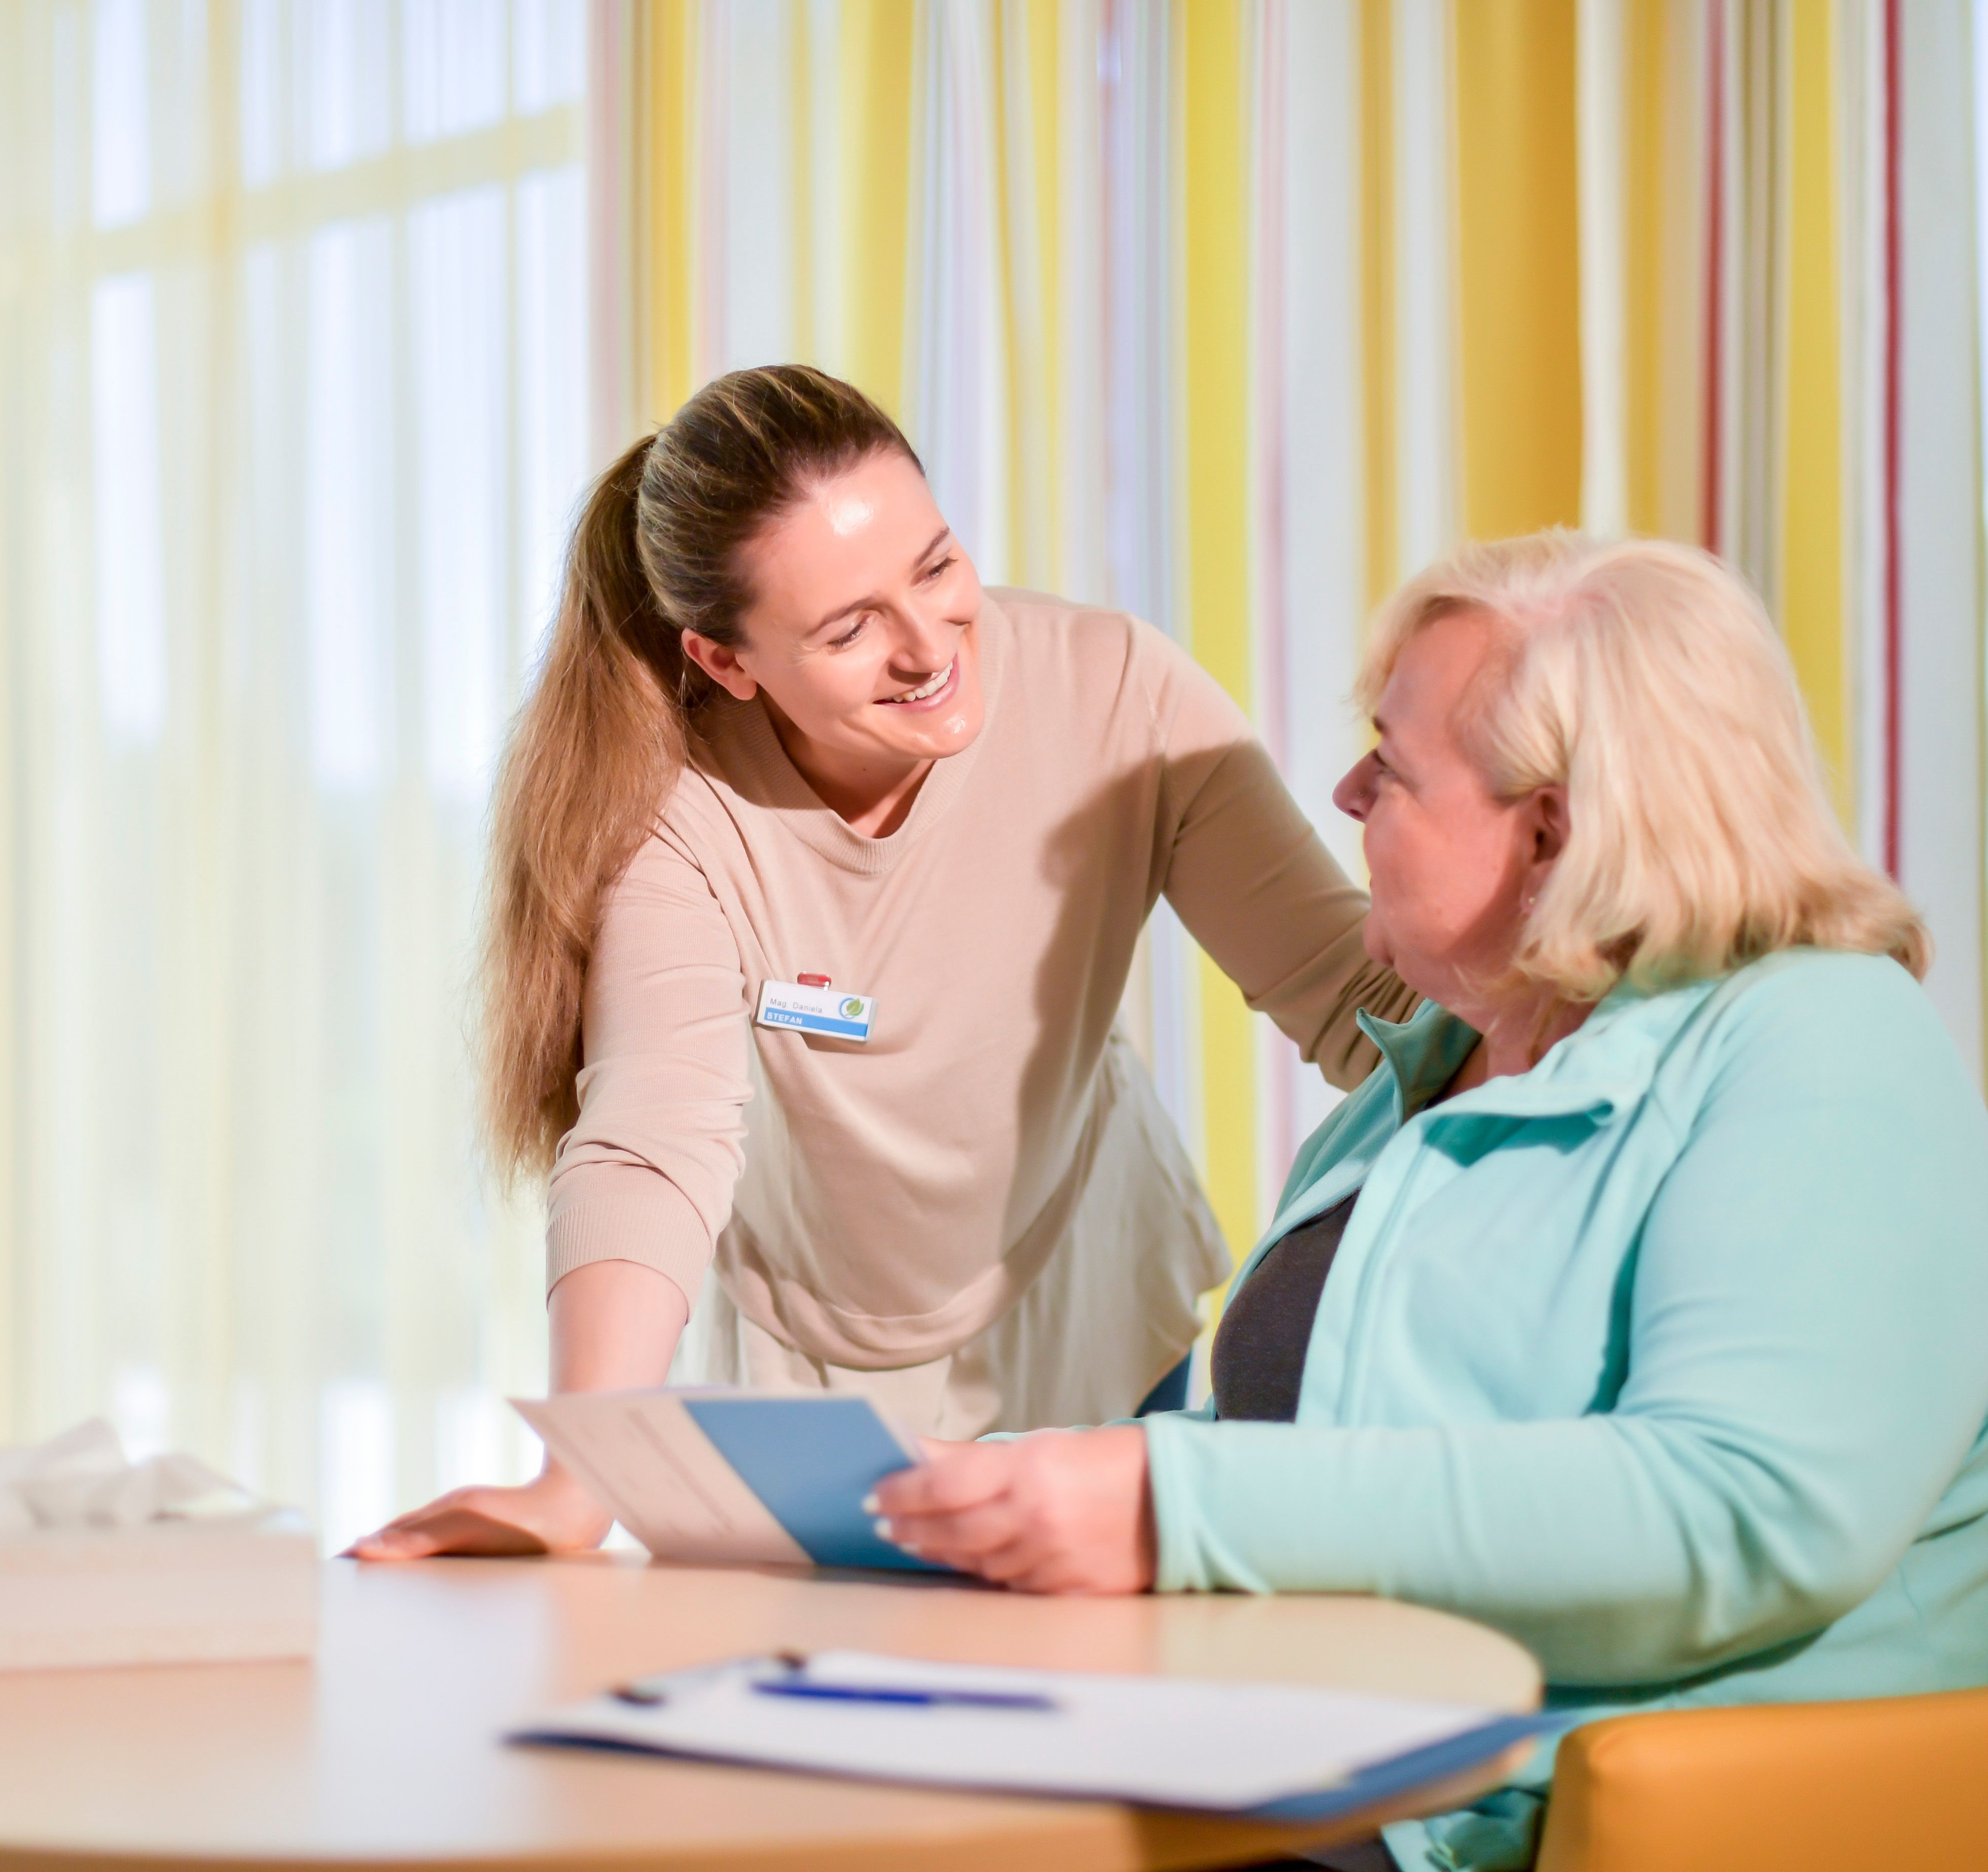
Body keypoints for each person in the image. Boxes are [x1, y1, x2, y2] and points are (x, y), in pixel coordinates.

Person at [869, 533, 1988, 1872]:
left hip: (1610, 1815)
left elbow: (1745, 1511)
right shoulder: (1434, 1069)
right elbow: (1266, 1431)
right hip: (1327, 1763)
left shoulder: (1819, 1045)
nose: (1346, 791)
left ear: (1550, 833)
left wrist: (1173, 1509)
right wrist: (981, 1502)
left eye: (1395, 767)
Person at [354, 365, 1418, 1560]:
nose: (929, 646)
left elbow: (1362, 1003)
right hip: (805, 1389)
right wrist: (573, 1480)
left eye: (936, 565)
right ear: (727, 663)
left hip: (1093, 1306)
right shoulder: (677, 822)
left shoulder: (1117, 693)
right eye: (850, 628)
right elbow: (654, 1137)